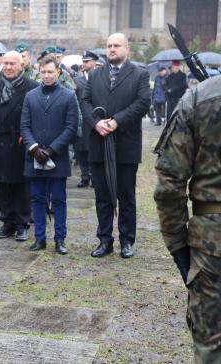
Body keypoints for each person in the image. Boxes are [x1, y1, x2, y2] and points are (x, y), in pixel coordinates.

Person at [153, 75, 221, 364]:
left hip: (213, 242)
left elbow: (169, 184)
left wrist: (179, 246)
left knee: (211, 341)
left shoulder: (200, 97)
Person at [82, 33, 150, 259]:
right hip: (99, 142)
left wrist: (117, 121)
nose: (112, 49)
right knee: (102, 195)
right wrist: (95, 122)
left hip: (126, 144)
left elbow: (142, 103)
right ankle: (104, 239)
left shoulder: (139, 74)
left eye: (117, 45)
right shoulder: (94, 74)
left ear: (126, 49)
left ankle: (127, 240)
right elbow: (84, 101)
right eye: (109, 45)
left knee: (126, 195)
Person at [20, 54, 78, 254]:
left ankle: (60, 239)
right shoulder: (30, 96)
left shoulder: (68, 96)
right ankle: (39, 238)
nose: (46, 76)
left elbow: (71, 127)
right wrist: (35, 148)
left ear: (58, 72)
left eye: (50, 72)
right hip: (35, 156)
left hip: (57, 157)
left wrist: (52, 149)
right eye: (43, 72)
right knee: (37, 198)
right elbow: (24, 126)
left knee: (59, 199)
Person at [0, 51, 38, 241]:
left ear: (21, 65)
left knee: (22, 187)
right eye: (5, 63)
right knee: (1, 186)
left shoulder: (32, 88)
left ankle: (22, 224)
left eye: (12, 64)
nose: (8, 67)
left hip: (21, 144)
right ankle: (7, 222)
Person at [74, 50, 99, 188]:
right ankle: (84, 176)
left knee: (92, 149)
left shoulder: (100, 78)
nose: (84, 64)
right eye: (83, 61)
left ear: (94, 62)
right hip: (80, 120)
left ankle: (94, 177)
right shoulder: (77, 80)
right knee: (80, 150)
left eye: (87, 61)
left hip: (94, 120)